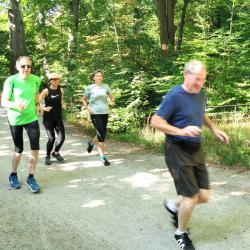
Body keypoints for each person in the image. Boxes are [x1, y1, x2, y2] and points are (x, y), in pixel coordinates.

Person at [150, 60, 229, 250]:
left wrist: (214, 129)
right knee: (191, 197)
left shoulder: (201, 93)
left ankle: (172, 204)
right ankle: (181, 233)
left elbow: (201, 113)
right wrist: (181, 131)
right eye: (196, 79)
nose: (199, 84)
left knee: (204, 195)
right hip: (176, 149)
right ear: (186, 75)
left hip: (195, 148)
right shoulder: (175, 95)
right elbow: (155, 121)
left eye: (202, 80)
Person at [1, 56, 41, 193]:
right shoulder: (11, 80)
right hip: (15, 119)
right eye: (23, 66)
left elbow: (36, 95)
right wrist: (15, 104)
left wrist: (37, 104)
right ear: (17, 67)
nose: (26, 69)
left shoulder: (36, 79)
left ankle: (31, 177)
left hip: (31, 118)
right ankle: (13, 174)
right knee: (19, 149)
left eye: (28, 66)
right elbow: (4, 102)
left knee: (35, 148)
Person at [82, 70, 115, 166]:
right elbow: (83, 99)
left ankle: (91, 143)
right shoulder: (89, 88)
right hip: (95, 112)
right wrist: (88, 108)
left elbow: (111, 96)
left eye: (101, 76)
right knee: (101, 134)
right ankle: (102, 157)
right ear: (94, 78)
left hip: (105, 112)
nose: (99, 77)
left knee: (102, 132)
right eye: (97, 76)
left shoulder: (106, 86)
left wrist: (112, 100)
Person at [39, 73, 66, 165]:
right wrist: (44, 108)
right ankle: (47, 156)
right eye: (54, 79)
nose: (56, 81)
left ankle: (56, 152)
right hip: (48, 118)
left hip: (58, 117)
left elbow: (61, 100)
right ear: (50, 81)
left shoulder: (61, 90)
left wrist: (63, 104)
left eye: (57, 79)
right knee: (51, 138)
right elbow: (38, 102)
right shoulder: (46, 91)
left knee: (62, 137)